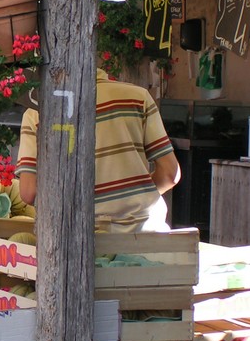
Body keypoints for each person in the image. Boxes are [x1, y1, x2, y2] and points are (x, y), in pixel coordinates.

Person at [15, 68, 181, 233]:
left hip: (75, 237)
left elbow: (30, 193)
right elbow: (170, 174)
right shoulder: (138, 96)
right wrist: (133, 195)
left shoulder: (36, 113)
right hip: (144, 232)